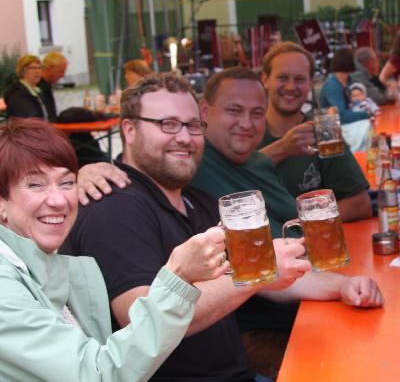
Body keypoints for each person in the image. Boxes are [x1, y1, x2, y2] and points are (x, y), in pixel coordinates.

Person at [62, 73, 383, 381]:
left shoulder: (194, 200)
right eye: (167, 124)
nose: (184, 137)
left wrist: (342, 286)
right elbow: (140, 319)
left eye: (191, 125)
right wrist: (260, 272)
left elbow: (264, 276)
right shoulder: (114, 208)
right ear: (129, 131)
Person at [0, 117, 229, 381]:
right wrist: (178, 277)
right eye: (35, 184)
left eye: (66, 182)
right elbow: (97, 374)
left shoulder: (46, 263)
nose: (58, 200)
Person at [259, 43, 372, 222]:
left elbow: (360, 204)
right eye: (282, 77)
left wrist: (299, 225)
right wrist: (282, 148)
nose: (290, 87)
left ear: (311, 83)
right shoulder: (246, 132)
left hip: (311, 245)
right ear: (265, 79)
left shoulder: (323, 131)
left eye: (300, 79)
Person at [319, 47, 369, 124]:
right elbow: (341, 117)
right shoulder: (332, 86)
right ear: (349, 61)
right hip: (332, 130)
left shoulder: (347, 80)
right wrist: (366, 114)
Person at [3, 55, 49, 121]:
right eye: (33, 68)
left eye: (40, 68)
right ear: (23, 71)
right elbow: (30, 120)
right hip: (27, 130)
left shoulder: (36, 91)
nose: (38, 71)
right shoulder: (17, 93)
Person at [39, 51, 68, 119]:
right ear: (50, 68)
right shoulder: (39, 88)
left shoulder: (47, 86)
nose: (63, 75)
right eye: (61, 71)